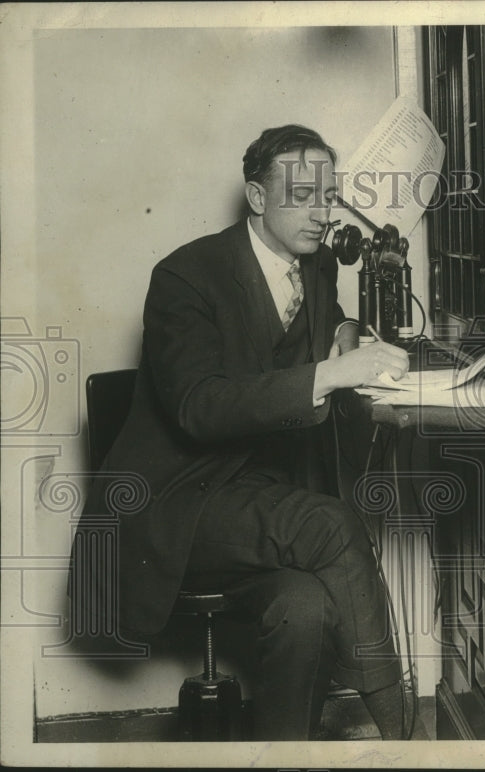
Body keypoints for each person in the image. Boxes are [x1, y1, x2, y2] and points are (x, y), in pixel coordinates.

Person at [71, 125, 411, 740]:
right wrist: (332, 371)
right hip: (175, 505)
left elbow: (330, 323)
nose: (320, 210)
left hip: (254, 499)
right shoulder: (185, 276)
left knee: (304, 606)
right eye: (302, 194)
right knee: (332, 524)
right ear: (257, 199)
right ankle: (405, 739)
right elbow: (200, 406)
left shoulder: (315, 266)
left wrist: (347, 336)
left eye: (328, 195)